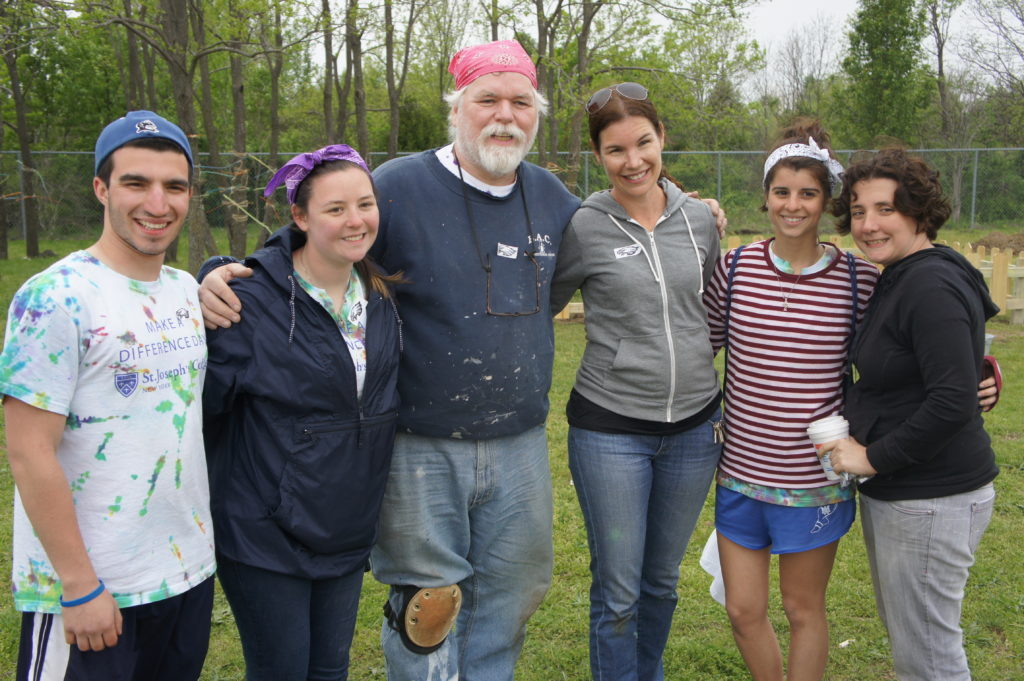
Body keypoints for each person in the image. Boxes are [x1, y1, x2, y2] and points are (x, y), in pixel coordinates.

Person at [0, 111, 216, 681]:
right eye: (135, 183)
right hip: (93, 591)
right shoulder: (54, 298)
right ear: (101, 188)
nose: (158, 203)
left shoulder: (186, 292)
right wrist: (78, 586)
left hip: (184, 574)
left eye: (174, 186)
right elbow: (27, 451)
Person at [202, 145, 402, 680]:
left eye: (365, 204)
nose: (355, 220)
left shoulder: (381, 296)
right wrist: (209, 275)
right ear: (299, 216)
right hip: (264, 532)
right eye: (335, 209)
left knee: (329, 671)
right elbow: (205, 411)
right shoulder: (248, 299)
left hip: (343, 525)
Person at [548, 82, 723, 681]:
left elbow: (717, 308)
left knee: (662, 583)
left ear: (661, 140)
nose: (633, 161)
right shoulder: (583, 226)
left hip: (695, 432)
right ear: (599, 156)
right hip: (611, 431)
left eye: (643, 143)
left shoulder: (700, 219)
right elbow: (537, 303)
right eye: (616, 150)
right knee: (619, 593)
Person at [702, 120, 880, 681]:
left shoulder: (858, 279)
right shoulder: (734, 269)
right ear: (765, 195)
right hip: (740, 474)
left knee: (803, 610)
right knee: (742, 610)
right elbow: (695, 348)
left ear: (826, 201)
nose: (793, 205)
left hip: (814, 480)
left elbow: (901, 360)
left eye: (807, 193)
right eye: (782, 191)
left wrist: (982, 373)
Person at [823, 148, 999, 681]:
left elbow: (949, 401)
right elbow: (952, 361)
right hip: (914, 496)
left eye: (885, 209)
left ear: (919, 213)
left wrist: (872, 457)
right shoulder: (903, 273)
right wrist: (984, 368)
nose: (869, 225)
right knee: (916, 641)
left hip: (931, 497)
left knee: (928, 657)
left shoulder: (928, 282)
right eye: (858, 211)